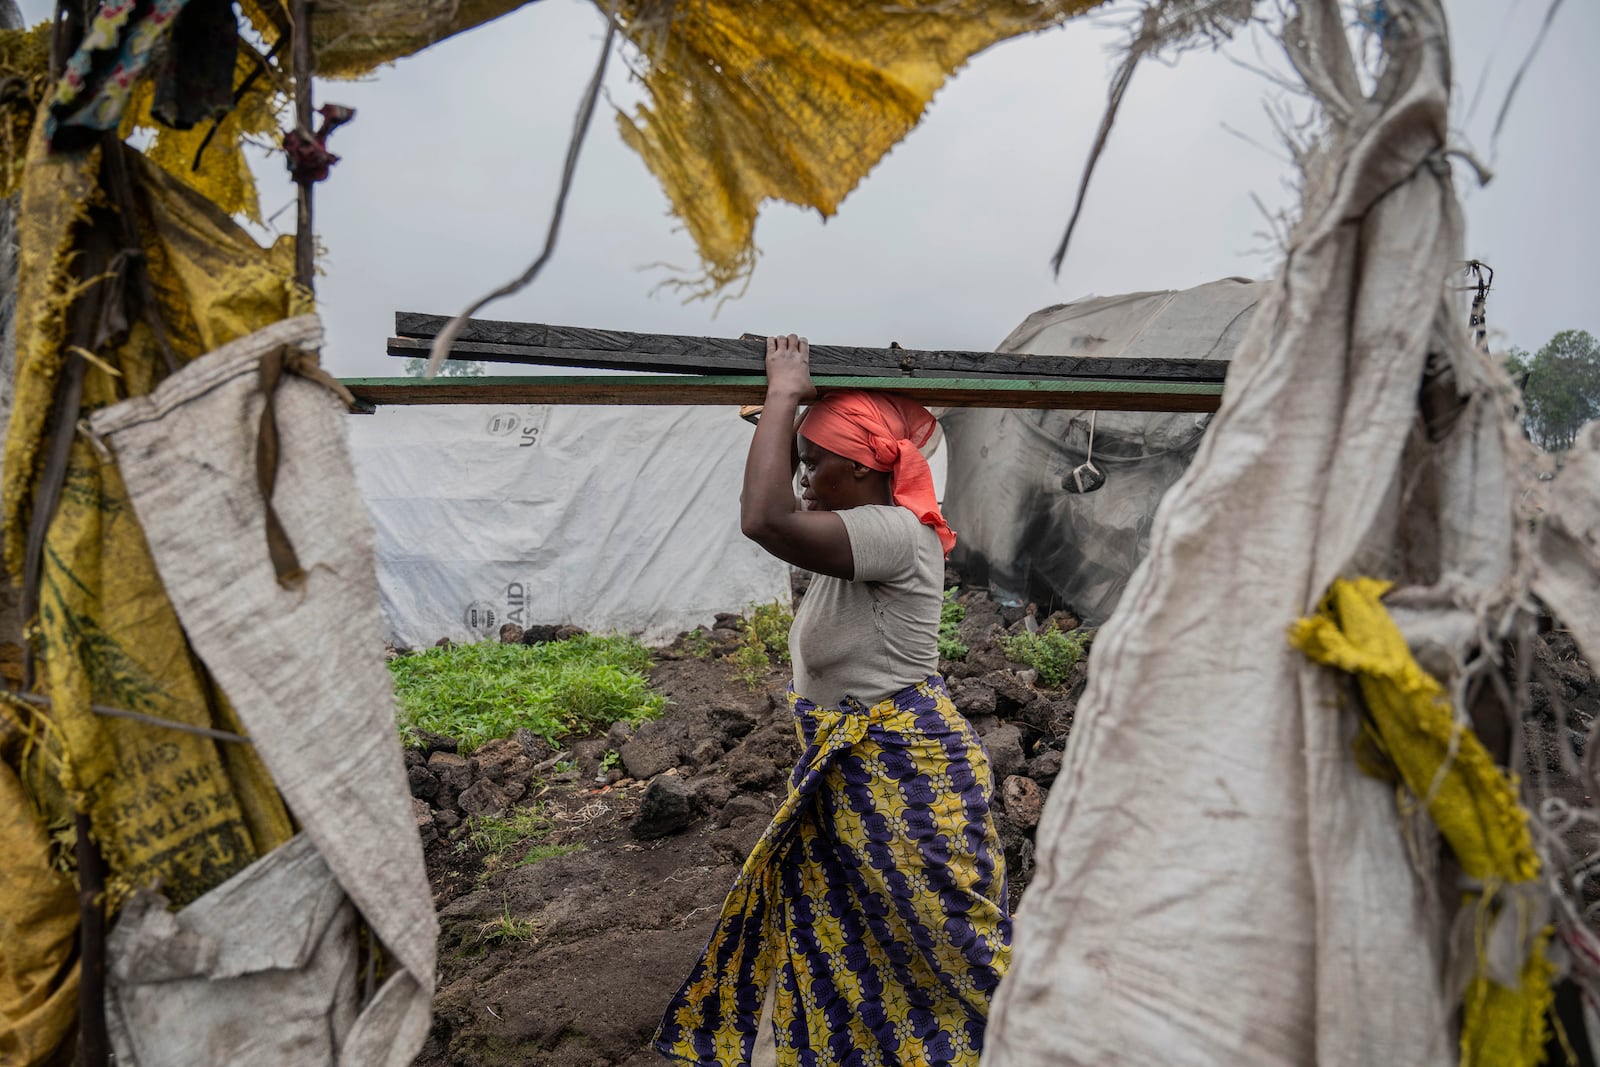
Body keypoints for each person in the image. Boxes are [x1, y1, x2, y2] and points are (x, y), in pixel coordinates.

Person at [653, 335, 1012, 1066]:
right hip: (852, 771)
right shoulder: (854, 540)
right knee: (853, 938)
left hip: (902, 775)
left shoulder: (892, 533)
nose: (804, 479)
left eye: (816, 465)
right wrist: (785, 427)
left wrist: (787, 393)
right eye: (803, 463)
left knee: (952, 947)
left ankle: (1057, 1042)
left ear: (860, 467)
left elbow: (764, 519)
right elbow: (784, 506)